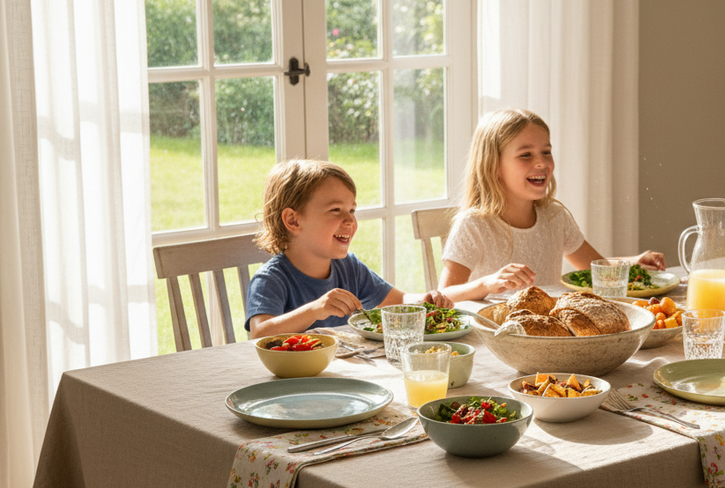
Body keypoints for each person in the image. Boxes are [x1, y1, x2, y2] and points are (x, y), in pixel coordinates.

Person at [438, 108, 666, 301]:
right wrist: (487, 284)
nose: (542, 162)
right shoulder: (473, 226)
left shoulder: (554, 217)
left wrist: (633, 263)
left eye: (546, 152)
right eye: (526, 155)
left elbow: (596, 269)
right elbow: (443, 295)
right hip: (497, 338)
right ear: (493, 166)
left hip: (549, 334)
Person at [246, 159, 451, 338]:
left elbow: (399, 300)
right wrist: (316, 309)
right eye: (335, 210)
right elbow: (260, 332)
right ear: (293, 220)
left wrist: (424, 301)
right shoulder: (270, 279)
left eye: (351, 210)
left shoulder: (348, 267)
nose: (350, 220)